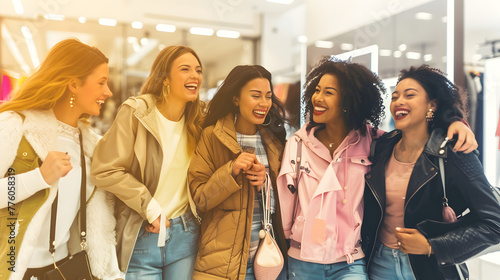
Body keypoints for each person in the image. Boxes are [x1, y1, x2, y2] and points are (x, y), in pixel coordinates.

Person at [276, 57, 477, 280]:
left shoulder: (373, 142)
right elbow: (286, 204)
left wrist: (457, 121)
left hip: (351, 261)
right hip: (305, 256)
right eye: (317, 90)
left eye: (329, 92)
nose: (318, 98)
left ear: (348, 100)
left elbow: (418, 131)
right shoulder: (297, 144)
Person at [362, 65, 500, 280]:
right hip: (379, 264)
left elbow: (495, 223)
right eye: (395, 96)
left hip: (430, 269)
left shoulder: (454, 152)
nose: (398, 102)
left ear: (432, 105)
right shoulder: (381, 146)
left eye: (410, 95)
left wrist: (431, 246)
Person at [0, 38, 122, 280]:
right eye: (101, 83)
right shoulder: (16, 126)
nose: (108, 92)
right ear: (74, 84)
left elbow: (99, 223)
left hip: (63, 270)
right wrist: (39, 178)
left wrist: (111, 273)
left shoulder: (92, 147)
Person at [91, 46, 204, 279]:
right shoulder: (137, 112)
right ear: (164, 78)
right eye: (185, 69)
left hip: (185, 235)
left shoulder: (198, 120)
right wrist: (149, 207)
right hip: (142, 235)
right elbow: (106, 168)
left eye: (198, 70)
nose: (195, 76)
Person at [188, 65, 288, 279]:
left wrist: (266, 182)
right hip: (222, 263)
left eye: (268, 96)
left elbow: (286, 204)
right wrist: (230, 171)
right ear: (235, 99)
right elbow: (200, 199)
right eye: (255, 95)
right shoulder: (211, 137)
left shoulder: (274, 142)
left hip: (268, 260)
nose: (264, 103)